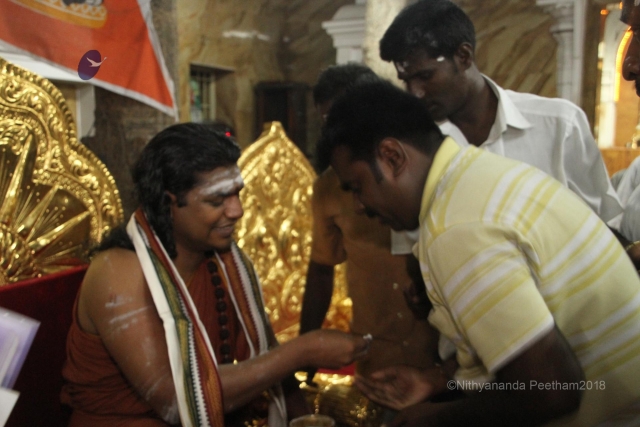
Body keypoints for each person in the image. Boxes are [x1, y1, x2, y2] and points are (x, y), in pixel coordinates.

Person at [317, 79, 640, 426]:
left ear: (392, 157)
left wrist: (433, 420)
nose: (359, 205)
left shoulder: (455, 227)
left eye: (358, 186)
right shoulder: (477, 175)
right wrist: (441, 379)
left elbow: (549, 390)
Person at [60, 123, 370, 427]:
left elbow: (268, 353)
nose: (237, 211)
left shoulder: (225, 263)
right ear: (168, 203)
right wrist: (303, 351)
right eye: (217, 200)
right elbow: (174, 399)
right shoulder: (117, 271)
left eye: (237, 194)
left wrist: (300, 417)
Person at [379, 0, 626, 257]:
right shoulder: (416, 150)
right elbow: (416, 255)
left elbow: (604, 228)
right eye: (406, 80)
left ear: (464, 57)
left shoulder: (559, 125)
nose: (415, 92)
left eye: (425, 76)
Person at [299, 63, 439, 383]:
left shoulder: (422, 174)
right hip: (376, 353)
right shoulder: (328, 188)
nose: (359, 205)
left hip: (439, 351)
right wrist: (305, 350)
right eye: (328, 121)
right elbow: (321, 268)